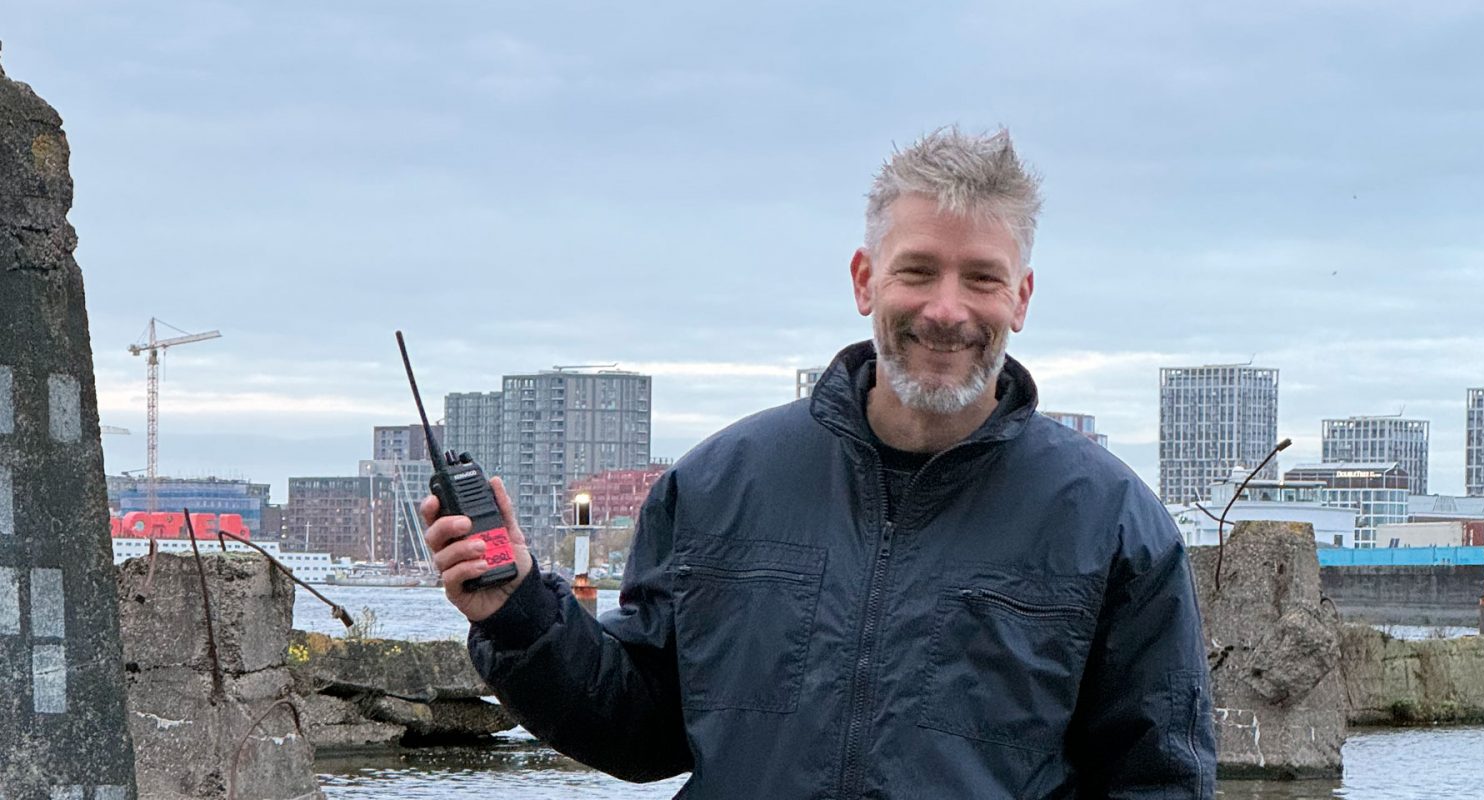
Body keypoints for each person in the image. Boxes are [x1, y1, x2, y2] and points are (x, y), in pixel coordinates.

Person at [424, 127, 1216, 798]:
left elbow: (1158, 780)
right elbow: (642, 728)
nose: (947, 310)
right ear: (866, 280)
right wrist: (519, 614)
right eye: (917, 271)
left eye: (982, 278)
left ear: (1022, 297)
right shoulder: (720, 484)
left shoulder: (1112, 524)